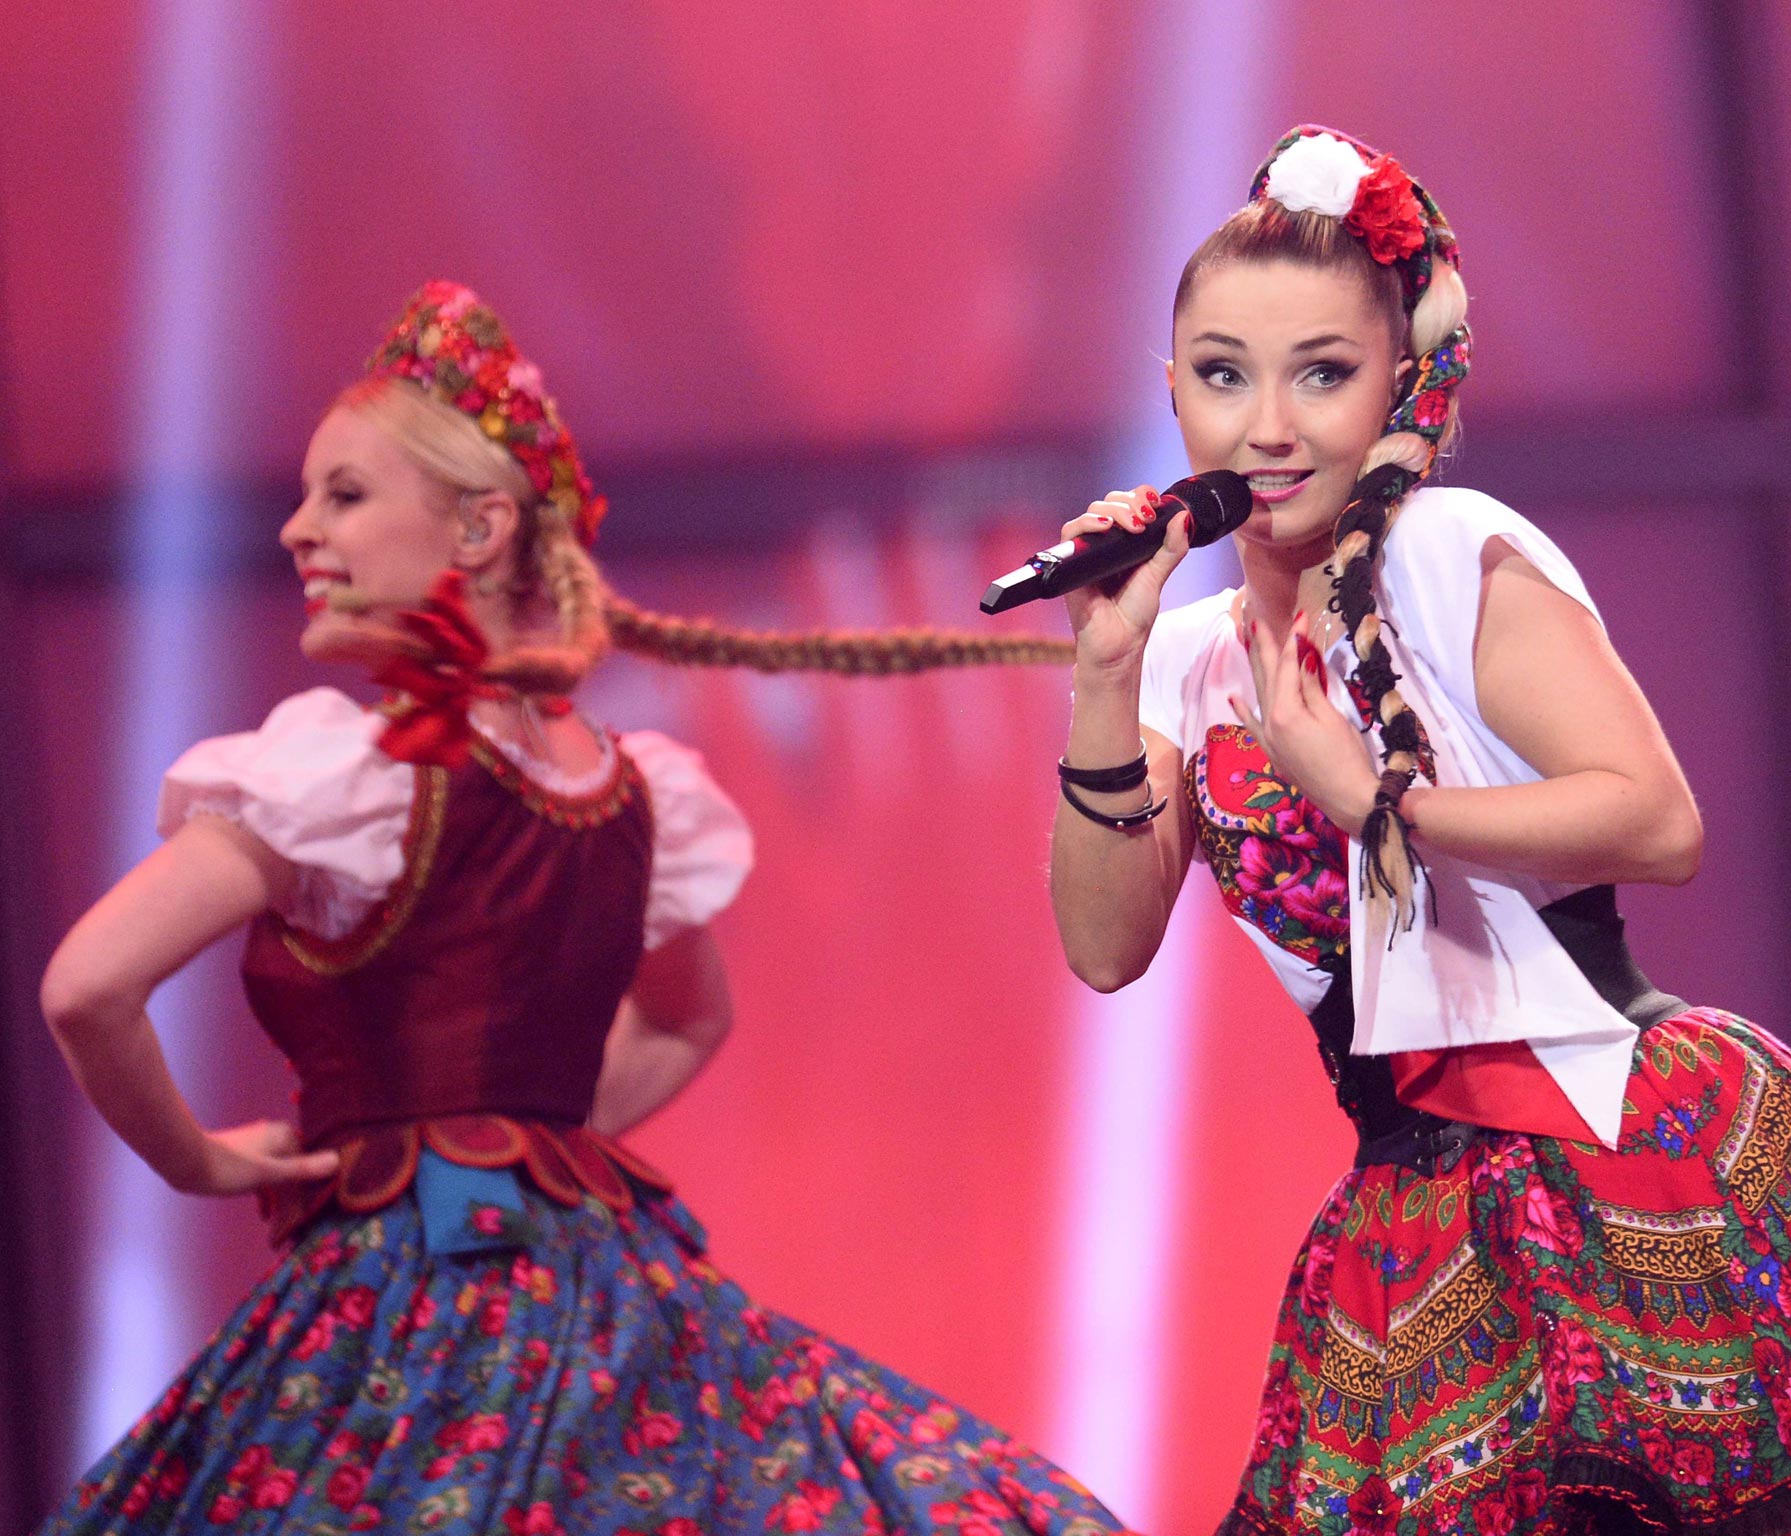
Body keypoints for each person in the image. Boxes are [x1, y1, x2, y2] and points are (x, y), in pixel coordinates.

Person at [1047, 127, 1791, 1536]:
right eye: (1222, 374)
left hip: (1623, 1145)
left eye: (1321, 372)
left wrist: (1372, 800)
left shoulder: (1447, 553)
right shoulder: (1182, 660)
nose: (1267, 426)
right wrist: (1097, 678)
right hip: (1410, 1217)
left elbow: (1656, 819)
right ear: (1173, 394)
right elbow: (1102, 948)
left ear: (1397, 383)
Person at [38, 281, 1117, 1535]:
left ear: (480, 527)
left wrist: (201, 1160)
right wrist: (519, 1135)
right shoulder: (622, 785)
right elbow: (682, 1024)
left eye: (343, 495)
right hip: (607, 1295)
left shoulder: (343, 772)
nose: (297, 532)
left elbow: (87, 987)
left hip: (406, 1303)